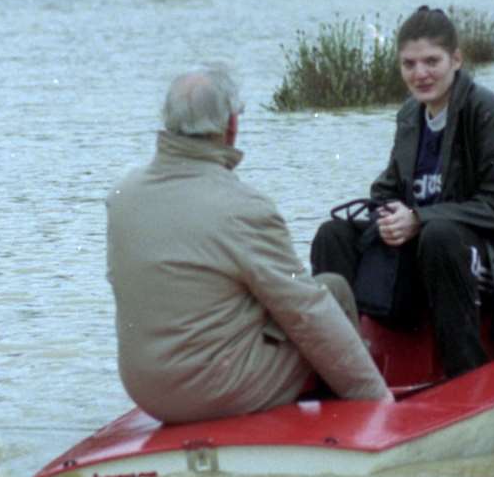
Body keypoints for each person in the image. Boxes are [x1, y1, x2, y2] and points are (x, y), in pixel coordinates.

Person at [107, 65, 390, 423]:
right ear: (231, 126)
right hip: (215, 391)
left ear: (168, 123)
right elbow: (306, 310)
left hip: (146, 390)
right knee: (331, 291)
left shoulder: (122, 196)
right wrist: (376, 398)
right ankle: (346, 425)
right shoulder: (243, 207)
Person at [311, 7, 494, 379]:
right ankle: (343, 372)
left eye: (432, 61)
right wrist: (389, 216)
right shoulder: (411, 116)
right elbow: (387, 188)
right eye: (409, 64)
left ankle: (464, 372)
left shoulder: (486, 112)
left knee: (440, 235)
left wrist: (419, 219)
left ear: (456, 60)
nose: (420, 74)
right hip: (425, 249)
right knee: (332, 235)